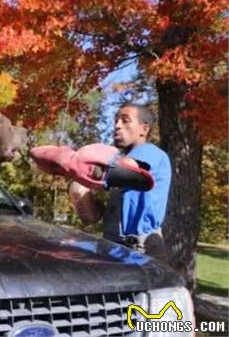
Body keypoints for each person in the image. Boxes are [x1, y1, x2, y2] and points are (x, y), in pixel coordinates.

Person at [70, 102, 172, 263]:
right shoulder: (118, 163)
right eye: (116, 120)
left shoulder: (150, 152)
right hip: (113, 245)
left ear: (144, 129)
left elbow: (124, 169)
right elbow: (90, 218)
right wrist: (81, 190)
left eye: (125, 120)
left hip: (142, 249)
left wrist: (77, 165)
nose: (117, 126)